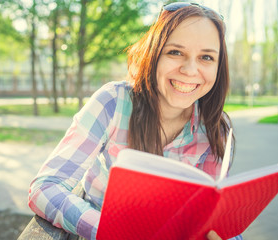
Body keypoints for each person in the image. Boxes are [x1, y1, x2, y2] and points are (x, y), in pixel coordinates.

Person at [29, 2, 241, 240]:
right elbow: (46, 187)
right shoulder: (113, 102)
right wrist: (111, 230)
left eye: (206, 57)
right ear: (154, 53)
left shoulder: (215, 127)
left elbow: (210, 217)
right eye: (175, 52)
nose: (191, 70)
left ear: (218, 66)